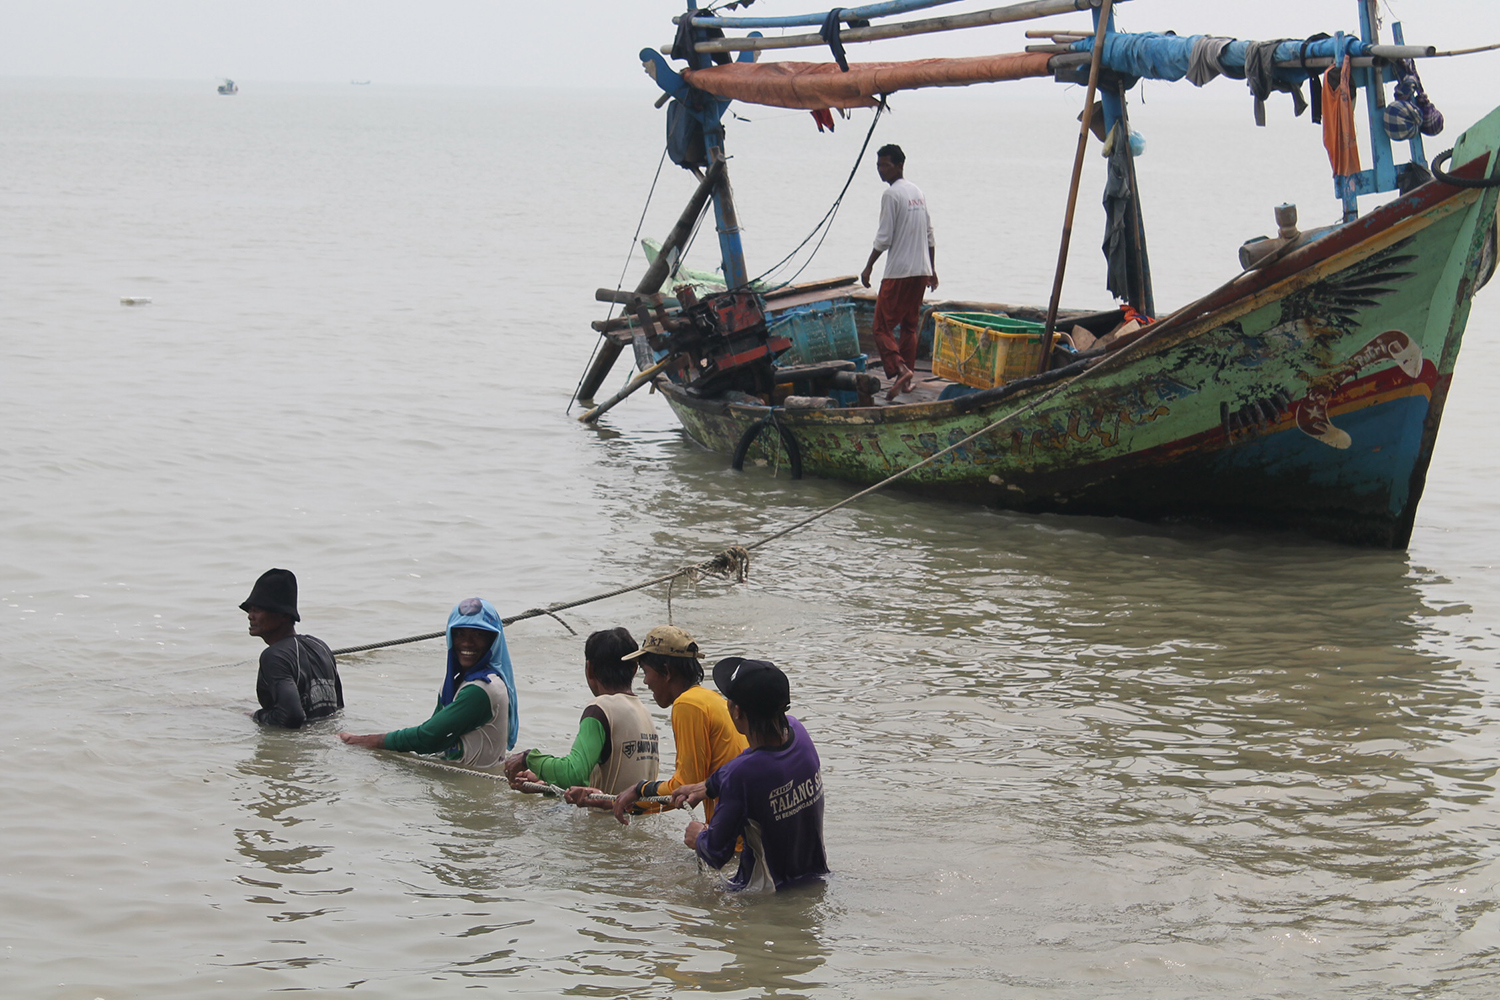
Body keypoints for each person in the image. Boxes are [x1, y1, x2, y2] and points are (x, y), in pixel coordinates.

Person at [671, 657, 828, 892]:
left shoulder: (741, 776)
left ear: (737, 712)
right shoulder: (798, 732)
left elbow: (716, 854)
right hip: (815, 879)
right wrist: (707, 786)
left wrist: (698, 838)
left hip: (766, 899)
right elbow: (751, 763)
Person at [339, 597, 518, 768]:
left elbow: (428, 737)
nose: (467, 643)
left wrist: (364, 741)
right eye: (460, 633)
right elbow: (435, 738)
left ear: (492, 640)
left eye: (478, 634)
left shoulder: (483, 689)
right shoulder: (456, 682)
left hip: (475, 785)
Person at [608, 625, 748, 825]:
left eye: (646, 672)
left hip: (734, 839)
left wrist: (638, 790)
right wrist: (624, 802)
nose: (646, 681)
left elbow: (684, 787)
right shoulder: (710, 698)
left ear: (666, 671)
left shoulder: (687, 704)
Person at [502, 627, 660, 797]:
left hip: (603, 820)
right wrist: (547, 784)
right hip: (637, 818)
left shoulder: (600, 709)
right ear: (635, 668)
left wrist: (528, 759)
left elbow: (573, 774)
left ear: (589, 668)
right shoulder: (644, 712)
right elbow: (597, 779)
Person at [859, 143, 938, 400]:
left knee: (881, 327)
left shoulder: (892, 194)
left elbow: (884, 238)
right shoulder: (917, 191)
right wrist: (932, 269)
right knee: (909, 327)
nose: (881, 170)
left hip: (899, 272)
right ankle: (907, 381)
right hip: (919, 270)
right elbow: (930, 235)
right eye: (878, 165)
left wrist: (869, 265)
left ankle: (901, 369)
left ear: (900, 165)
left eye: (885, 165)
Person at [242, 567, 343, 729]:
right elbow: (337, 707)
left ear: (284, 615)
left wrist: (256, 715)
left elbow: (291, 716)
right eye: (250, 610)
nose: (250, 616)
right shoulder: (320, 646)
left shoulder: (274, 656)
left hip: (297, 744)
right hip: (324, 744)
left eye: (257, 610)